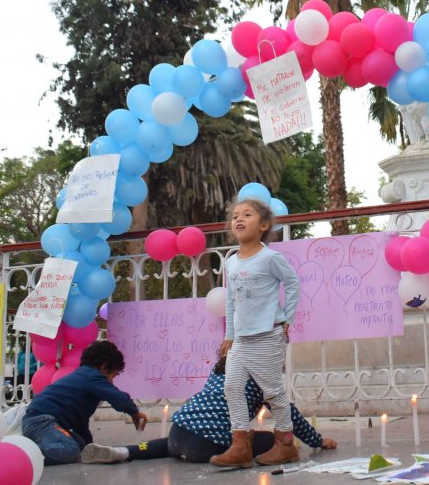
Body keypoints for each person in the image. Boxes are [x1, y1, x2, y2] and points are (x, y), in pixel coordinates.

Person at [79, 347, 337, 464]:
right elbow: (287, 414)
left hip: (178, 432)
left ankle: (126, 452)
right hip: (206, 445)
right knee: (275, 441)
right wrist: (316, 440)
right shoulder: (261, 377)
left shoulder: (218, 373)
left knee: (172, 446)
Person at [209, 198, 301, 468]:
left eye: (247, 215)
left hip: (267, 335)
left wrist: (288, 319)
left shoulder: (270, 257)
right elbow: (230, 300)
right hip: (241, 339)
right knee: (231, 386)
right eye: (235, 216)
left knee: (272, 391)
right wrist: (229, 335)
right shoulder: (231, 262)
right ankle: (240, 445)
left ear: (263, 225)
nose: (239, 219)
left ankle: (285, 444)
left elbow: (293, 284)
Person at [21, 340, 148, 465]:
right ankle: (24, 454)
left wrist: (89, 446)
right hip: (42, 421)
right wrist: (134, 413)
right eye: (113, 376)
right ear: (104, 367)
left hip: (43, 421)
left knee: (81, 445)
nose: (112, 382)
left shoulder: (83, 377)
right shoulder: (92, 377)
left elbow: (80, 422)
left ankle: (38, 446)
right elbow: (119, 398)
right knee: (70, 449)